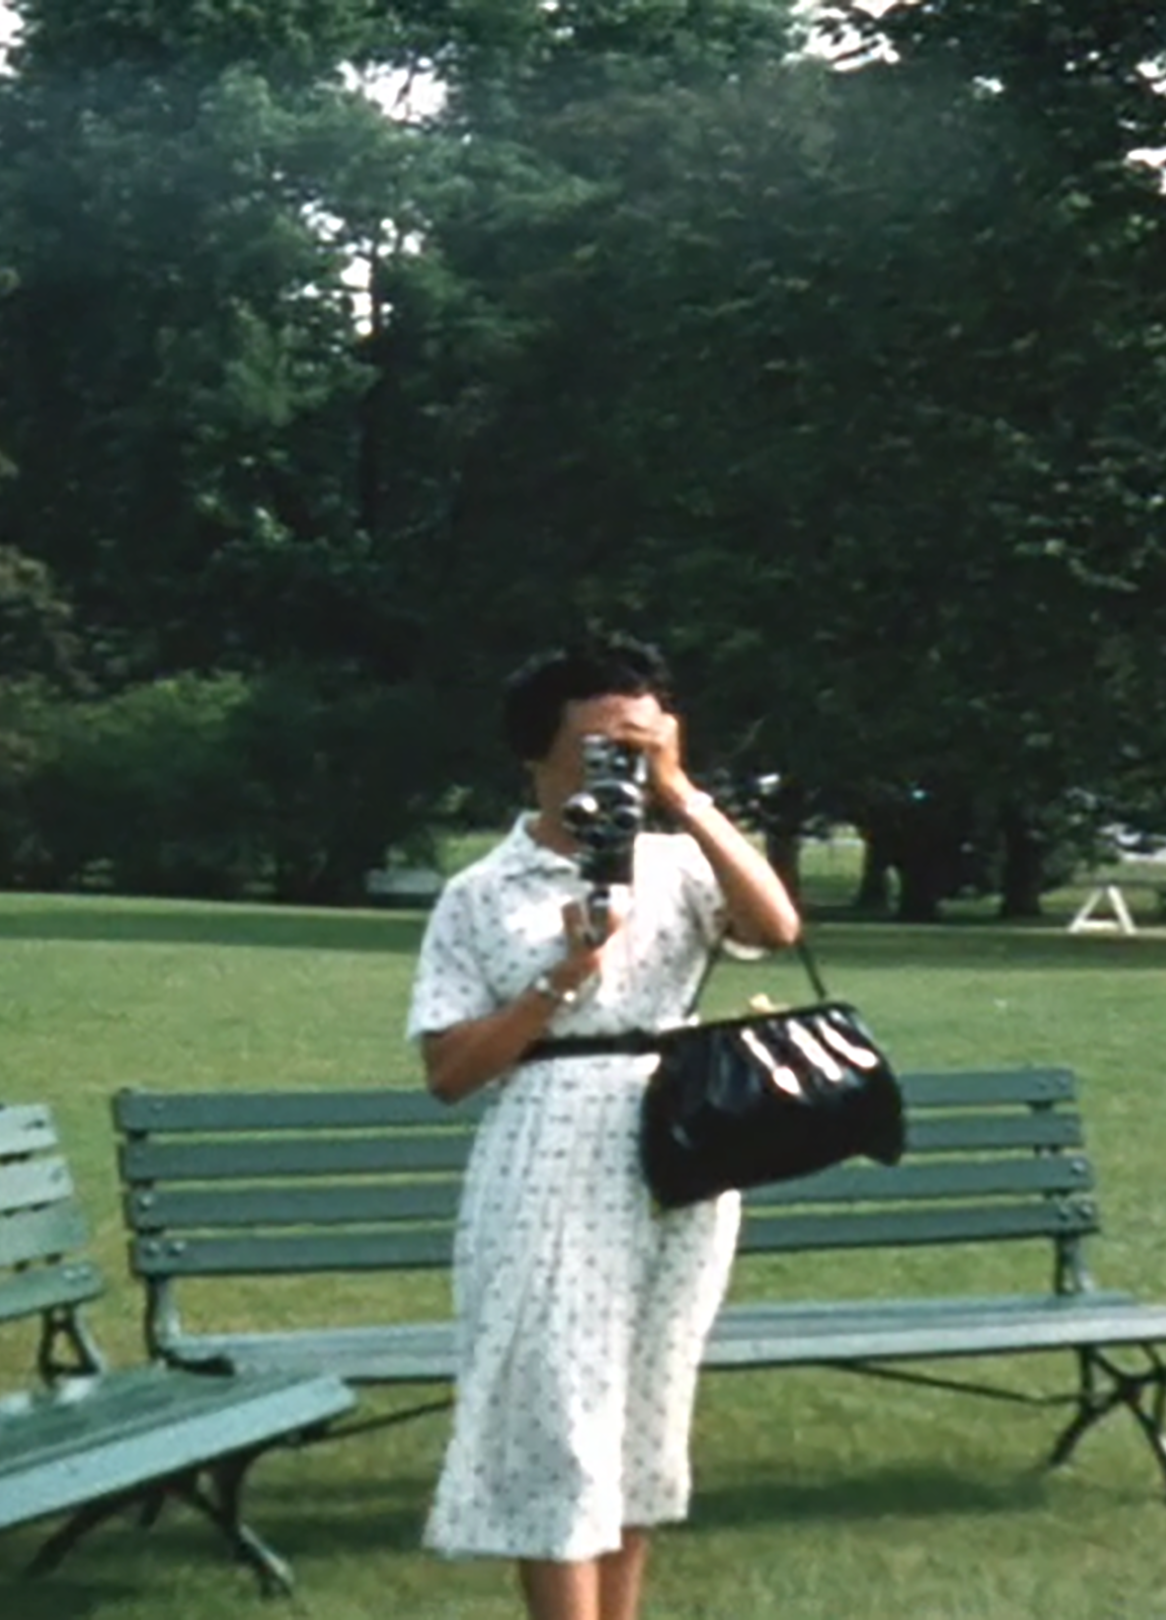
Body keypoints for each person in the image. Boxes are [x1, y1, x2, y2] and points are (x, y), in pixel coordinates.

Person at [405, 637, 801, 1620]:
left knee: (640, 1417)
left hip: (678, 1147)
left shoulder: (677, 864)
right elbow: (449, 1073)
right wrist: (563, 977)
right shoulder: (481, 894)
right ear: (538, 754)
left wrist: (685, 792)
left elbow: (777, 929)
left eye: (637, 741)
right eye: (599, 746)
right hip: (550, 1149)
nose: (616, 767)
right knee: (556, 1419)